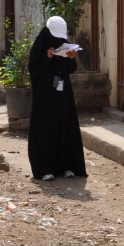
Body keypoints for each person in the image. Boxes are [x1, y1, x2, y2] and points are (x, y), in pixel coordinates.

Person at [27, 16, 87, 182]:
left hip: (62, 95)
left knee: (64, 127)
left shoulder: (63, 46)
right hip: (44, 97)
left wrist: (71, 59)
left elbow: (68, 70)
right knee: (46, 129)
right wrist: (47, 59)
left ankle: (67, 166)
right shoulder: (38, 49)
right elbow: (34, 71)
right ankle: (46, 168)